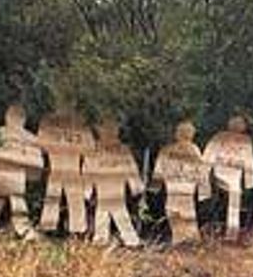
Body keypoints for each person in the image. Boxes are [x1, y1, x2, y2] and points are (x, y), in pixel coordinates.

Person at [0, 105, 45, 241]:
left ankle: (23, 232)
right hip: (10, 175)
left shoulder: (3, 133)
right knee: (5, 203)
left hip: (10, 174)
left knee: (11, 203)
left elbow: (37, 161)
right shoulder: (28, 138)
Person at [37, 101, 95, 235]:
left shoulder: (49, 121)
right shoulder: (79, 122)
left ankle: (59, 230)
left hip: (62, 167)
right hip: (67, 167)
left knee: (58, 199)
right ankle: (73, 231)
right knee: (67, 200)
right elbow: (90, 148)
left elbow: (40, 144)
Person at [85, 119, 145, 247]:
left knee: (112, 211)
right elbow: (131, 168)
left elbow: (131, 168)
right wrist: (136, 186)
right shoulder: (95, 149)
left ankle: (123, 239)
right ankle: (124, 239)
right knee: (109, 212)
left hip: (113, 184)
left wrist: (88, 189)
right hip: (108, 184)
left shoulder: (96, 149)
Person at [153, 121, 212, 245]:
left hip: (173, 185)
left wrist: (155, 187)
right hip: (187, 186)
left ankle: (179, 239)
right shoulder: (194, 150)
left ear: (177, 133)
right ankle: (190, 240)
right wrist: (204, 190)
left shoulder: (167, 149)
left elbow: (158, 169)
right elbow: (201, 171)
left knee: (172, 211)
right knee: (188, 213)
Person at [203, 115, 253, 242]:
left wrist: (250, 180)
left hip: (235, 174)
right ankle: (228, 230)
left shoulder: (246, 140)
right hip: (220, 172)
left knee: (235, 193)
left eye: (241, 123)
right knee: (233, 193)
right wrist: (205, 173)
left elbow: (249, 160)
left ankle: (232, 232)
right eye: (236, 123)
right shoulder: (219, 137)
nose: (238, 126)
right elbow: (209, 154)